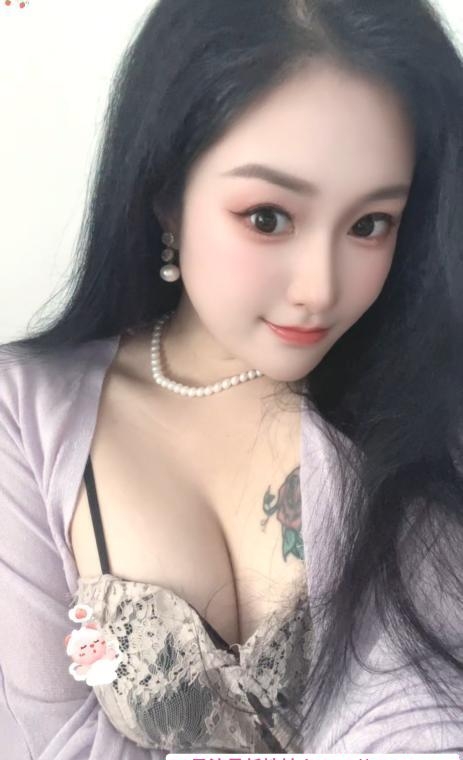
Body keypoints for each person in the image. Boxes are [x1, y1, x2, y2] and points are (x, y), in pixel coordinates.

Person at [1, 0, 463, 757]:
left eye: (369, 224)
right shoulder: (24, 415)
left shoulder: (422, 408)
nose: (320, 288)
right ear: (166, 197)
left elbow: (421, 716)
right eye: (268, 218)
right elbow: (48, 738)